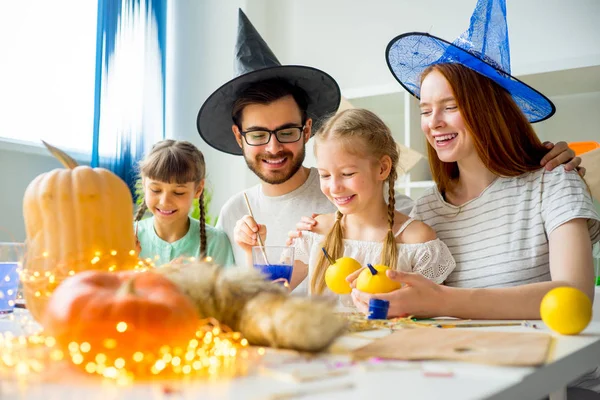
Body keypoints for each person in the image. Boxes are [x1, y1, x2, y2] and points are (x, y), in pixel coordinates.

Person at [196, 9, 579, 275]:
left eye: (287, 131)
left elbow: (403, 240)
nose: (274, 147)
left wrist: (550, 161)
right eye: (259, 134)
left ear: (307, 129)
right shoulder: (235, 215)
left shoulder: (411, 213)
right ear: (239, 136)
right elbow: (262, 294)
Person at [290, 108, 456, 297]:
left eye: (347, 174)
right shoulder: (316, 232)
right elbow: (270, 292)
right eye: (325, 175)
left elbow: (435, 309)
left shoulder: (417, 241)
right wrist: (249, 248)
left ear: (382, 168)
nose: (334, 187)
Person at [134, 139, 234, 267]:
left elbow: (227, 287)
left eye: (178, 192)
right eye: (156, 190)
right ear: (144, 184)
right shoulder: (127, 239)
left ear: (198, 189)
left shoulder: (216, 242)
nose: (164, 202)